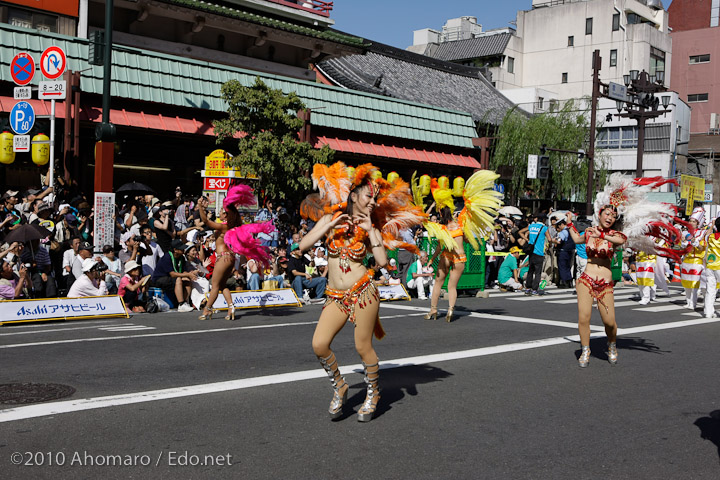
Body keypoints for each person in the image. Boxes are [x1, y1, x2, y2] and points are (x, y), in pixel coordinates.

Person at [299, 162, 424, 422]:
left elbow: (381, 262)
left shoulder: (370, 226)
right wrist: (329, 223)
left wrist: (370, 231)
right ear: (353, 195)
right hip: (335, 296)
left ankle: (374, 393)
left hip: (363, 292)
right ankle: (340, 386)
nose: (372, 202)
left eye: (374, 198)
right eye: (369, 196)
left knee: (361, 345)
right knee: (319, 344)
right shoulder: (330, 218)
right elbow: (303, 245)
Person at [565, 174, 680, 368]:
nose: (609, 217)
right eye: (606, 214)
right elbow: (577, 240)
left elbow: (620, 241)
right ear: (599, 214)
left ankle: (611, 345)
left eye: (613, 216)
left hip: (605, 284)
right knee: (583, 317)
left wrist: (602, 233)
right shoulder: (590, 232)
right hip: (585, 279)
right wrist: (569, 223)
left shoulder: (616, 235)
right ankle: (586, 350)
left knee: (609, 322)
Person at [150, 238, 197, 312]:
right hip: (160, 279)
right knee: (178, 279)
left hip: (171, 278)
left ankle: (185, 302)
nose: (183, 250)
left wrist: (190, 274)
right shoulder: (167, 257)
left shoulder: (181, 257)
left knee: (187, 281)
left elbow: (183, 271)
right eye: (181, 249)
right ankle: (181, 304)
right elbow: (172, 274)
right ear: (175, 250)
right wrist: (186, 274)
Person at [519, 212, 552, 295]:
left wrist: (527, 239)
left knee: (530, 270)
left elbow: (520, 232)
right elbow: (550, 239)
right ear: (544, 220)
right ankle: (534, 289)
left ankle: (527, 288)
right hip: (539, 252)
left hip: (531, 252)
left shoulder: (531, 226)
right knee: (538, 272)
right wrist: (549, 245)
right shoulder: (544, 228)